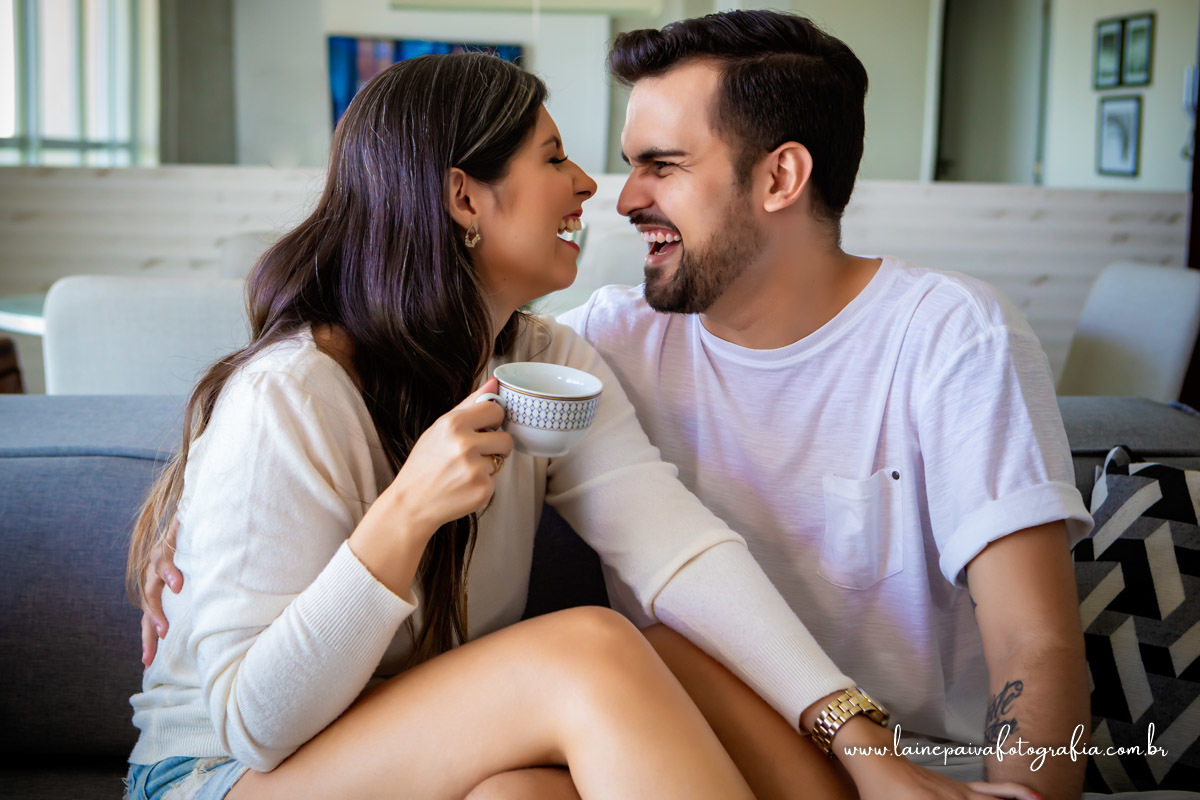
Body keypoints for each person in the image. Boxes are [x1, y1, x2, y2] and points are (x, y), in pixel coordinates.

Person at [125, 51, 917, 800]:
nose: (586, 185)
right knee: (591, 647)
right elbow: (254, 728)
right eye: (552, 158)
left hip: (408, 747)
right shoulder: (292, 394)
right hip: (224, 774)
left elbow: (678, 553)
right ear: (466, 197)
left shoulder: (547, 362)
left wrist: (860, 740)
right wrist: (405, 514)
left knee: (583, 734)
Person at [552, 9, 1094, 800]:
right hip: (682, 750)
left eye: (662, 165)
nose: (626, 197)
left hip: (915, 769)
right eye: (632, 164)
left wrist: (1028, 794)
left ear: (780, 177)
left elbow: (1034, 639)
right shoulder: (606, 341)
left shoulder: (951, 337)